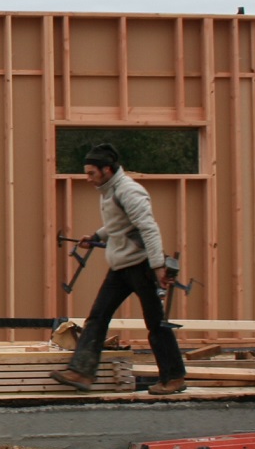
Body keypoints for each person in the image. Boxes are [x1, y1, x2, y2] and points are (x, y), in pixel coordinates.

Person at [50, 143, 187, 395]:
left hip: (142, 266)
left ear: (108, 169)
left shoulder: (129, 192)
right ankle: (82, 372)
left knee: (156, 324)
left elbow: (149, 228)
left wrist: (157, 266)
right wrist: (95, 235)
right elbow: (119, 226)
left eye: (92, 173)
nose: (88, 178)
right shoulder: (110, 191)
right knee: (97, 317)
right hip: (122, 266)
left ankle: (174, 377)